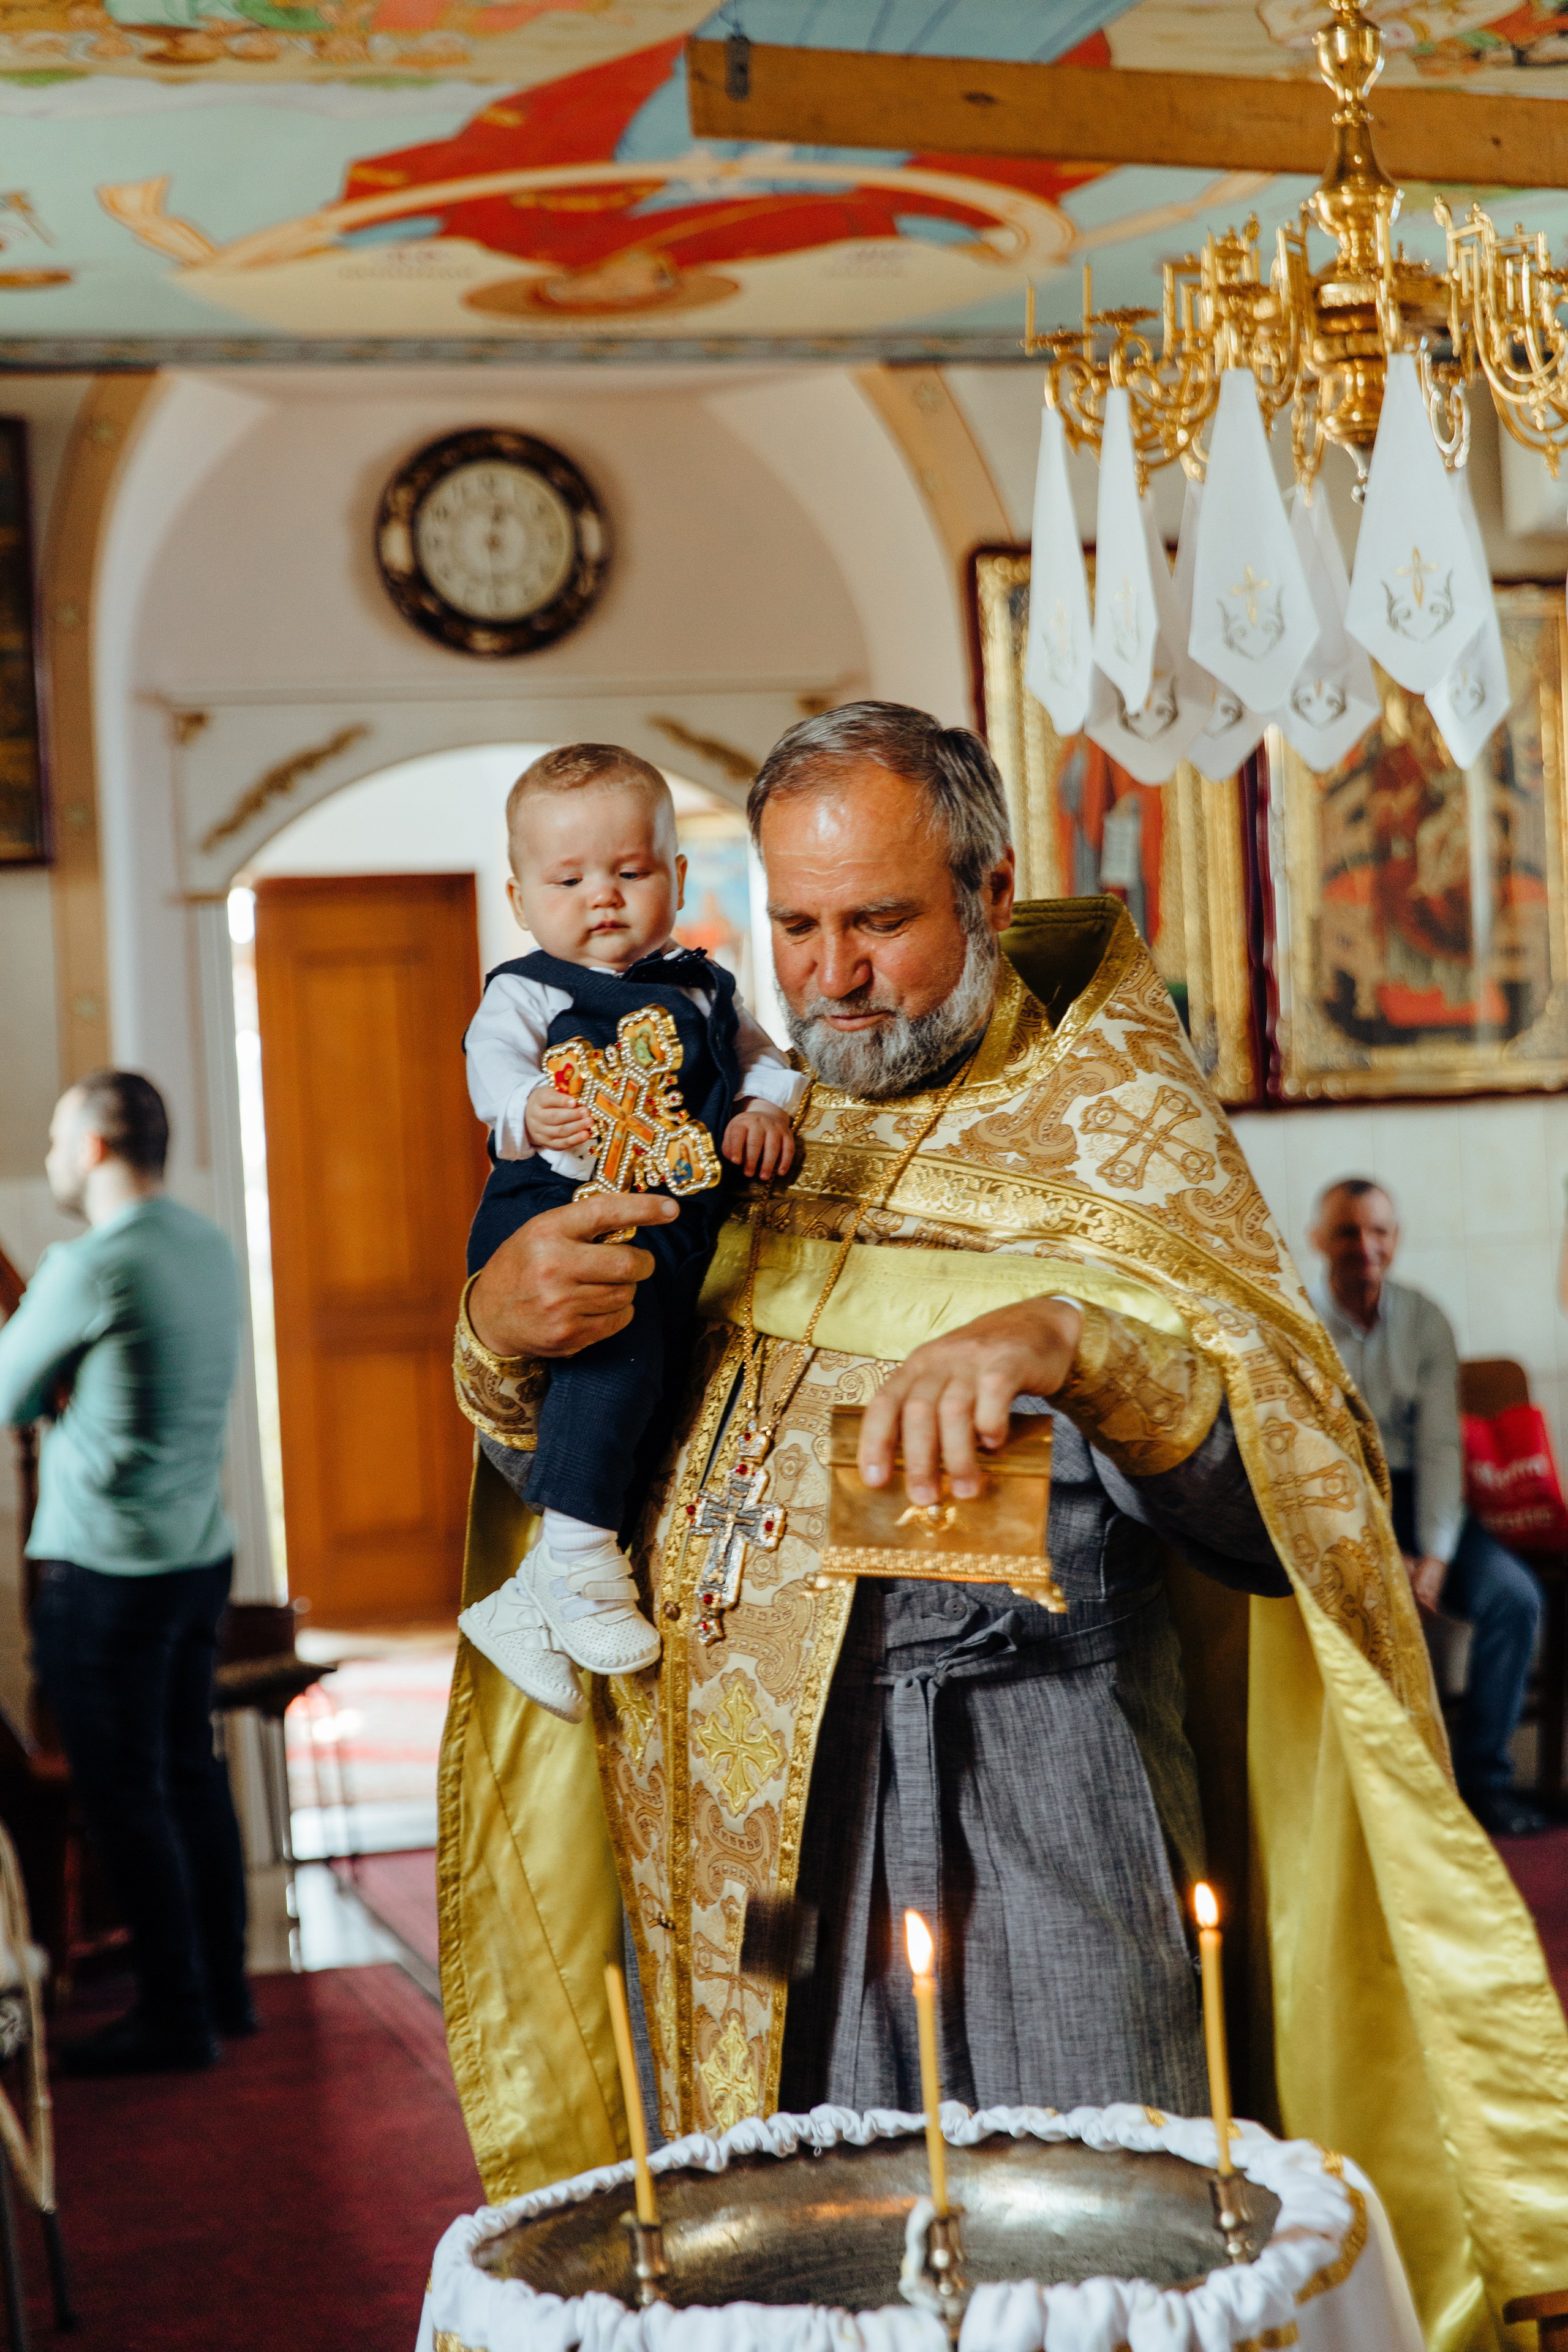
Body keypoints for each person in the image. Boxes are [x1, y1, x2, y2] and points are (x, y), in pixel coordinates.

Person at [442, 702, 1568, 2328]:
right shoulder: (754, 1129)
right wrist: (501, 1320)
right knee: (794, 2255)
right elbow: (571, 1436)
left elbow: (1294, 1531)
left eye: (882, 922)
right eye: (800, 924)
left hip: (1030, 1802)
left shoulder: (1117, 1141)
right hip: (742, 1847)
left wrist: (1080, 1344)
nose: (834, 975)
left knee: (1096, 2250)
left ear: (987, 890)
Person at [456, 744, 802, 1713]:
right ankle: (578, 1563)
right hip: (563, 1215)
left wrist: (763, 1110)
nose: (602, 897)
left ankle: (535, 1597)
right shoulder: (528, 990)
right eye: (569, 880)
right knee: (611, 1358)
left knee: (659, 1377)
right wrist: (530, 1110)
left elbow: (761, 1059)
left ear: (677, 877)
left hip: (674, 1214)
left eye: (631, 871)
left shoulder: (707, 988)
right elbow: (492, 1068)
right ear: (521, 898)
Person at [0, 1073, 250, 2074]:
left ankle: (173, 2015)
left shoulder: (90, 1264)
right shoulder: (206, 1244)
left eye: (60, 1136)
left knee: (123, 1797)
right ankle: (226, 1995)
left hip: (103, 1571)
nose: (53, 1154)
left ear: (98, 1147)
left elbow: (8, 1395)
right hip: (197, 1554)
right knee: (191, 1774)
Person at [1308, 1175, 1548, 1838]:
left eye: (1378, 1231)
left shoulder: (1425, 1319)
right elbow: (1320, 1457)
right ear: (1317, 1242)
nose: (1365, 1246)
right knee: (1363, 1611)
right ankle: (1388, 1803)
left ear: (1397, 1239)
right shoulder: (1297, 1320)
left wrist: (1436, 1556)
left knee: (1515, 1598)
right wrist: (1383, 1548)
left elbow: (1443, 1445)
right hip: (1342, 1500)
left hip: (1426, 1493)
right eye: (1347, 1232)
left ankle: (1485, 1785)